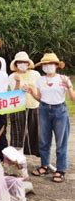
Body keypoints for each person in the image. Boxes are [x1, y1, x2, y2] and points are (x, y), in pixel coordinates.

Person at [28, 53, 74, 183]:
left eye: (50, 64)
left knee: (61, 142)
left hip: (60, 110)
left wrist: (69, 87)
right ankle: (45, 165)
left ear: (56, 65)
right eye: (45, 64)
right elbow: (40, 98)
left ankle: (60, 169)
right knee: (44, 140)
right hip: (43, 110)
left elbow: (72, 98)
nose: (48, 66)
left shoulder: (63, 78)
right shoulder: (40, 80)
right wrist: (32, 93)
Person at [8, 52, 41, 156]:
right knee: (18, 132)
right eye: (20, 62)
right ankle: (16, 158)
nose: (23, 64)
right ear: (16, 63)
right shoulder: (12, 76)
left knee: (34, 130)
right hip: (18, 107)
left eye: (25, 62)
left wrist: (31, 89)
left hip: (33, 105)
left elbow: (40, 89)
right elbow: (13, 93)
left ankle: (35, 152)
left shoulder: (36, 74)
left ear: (28, 63)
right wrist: (18, 83)